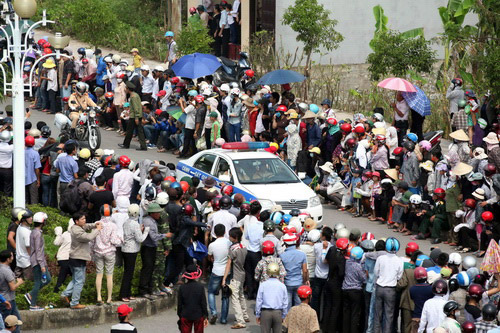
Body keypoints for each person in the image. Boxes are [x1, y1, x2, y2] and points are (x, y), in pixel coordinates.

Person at [61, 213, 102, 309]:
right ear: (76, 221)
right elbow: (88, 237)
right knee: (79, 281)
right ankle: (74, 302)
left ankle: (65, 294)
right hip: (78, 259)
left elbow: (86, 226)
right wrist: (97, 230)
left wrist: (94, 225)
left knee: (75, 279)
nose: (84, 220)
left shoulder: (77, 227)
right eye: (82, 219)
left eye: (85, 218)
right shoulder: (76, 231)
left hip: (74, 258)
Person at [93, 204, 122, 305]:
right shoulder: (113, 225)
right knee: (109, 275)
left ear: (100, 213)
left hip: (98, 252)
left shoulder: (96, 224)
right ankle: (109, 298)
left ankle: (99, 297)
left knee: (99, 274)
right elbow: (114, 241)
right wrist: (121, 240)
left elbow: (92, 239)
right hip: (109, 252)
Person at [119, 204, 149, 302]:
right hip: (131, 251)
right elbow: (140, 239)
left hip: (124, 249)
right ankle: (123, 294)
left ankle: (128, 293)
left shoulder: (126, 222)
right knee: (129, 273)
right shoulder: (135, 224)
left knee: (128, 272)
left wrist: (139, 230)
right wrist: (146, 231)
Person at [138, 203, 168, 298]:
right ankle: (143, 290)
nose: (159, 214)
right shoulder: (148, 222)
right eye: (157, 213)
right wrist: (165, 236)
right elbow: (153, 236)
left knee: (150, 268)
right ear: (152, 213)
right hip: (148, 248)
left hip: (151, 247)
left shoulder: (153, 221)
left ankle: (148, 289)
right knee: (147, 268)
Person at [374, 237, 403, 333]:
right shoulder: (399, 261)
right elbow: (399, 276)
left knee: (377, 314)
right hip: (391, 290)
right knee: (389, 315)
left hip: (379, 287)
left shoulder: (380, 258)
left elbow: (376, 273)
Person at [222, 227, 249, 329]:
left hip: (235, 276)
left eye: (230, 236)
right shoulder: (244, 247)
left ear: (235, 237)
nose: (229, 237)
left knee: (235, 298)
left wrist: (224, 278)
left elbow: (228, 265)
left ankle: (240, 321)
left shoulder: (232, 249)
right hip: (242, 274)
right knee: (241, 295)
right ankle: (245, 315)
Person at [25, 212, 51, 311]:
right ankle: (33, 304)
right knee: (38, 282)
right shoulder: (38, 234)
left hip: (36, 260)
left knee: (47, 279)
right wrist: (42, 265)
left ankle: (31, 295)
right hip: (38, 261)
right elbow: (38, 250)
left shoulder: (34, 232)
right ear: (42, 222)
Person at [207, 224, 231, 325]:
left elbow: (209, 257)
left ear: (215, 233)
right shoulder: (229, 243)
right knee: (225, 295)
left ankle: (213, 312)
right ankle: (224, 318)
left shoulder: (212, 245)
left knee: (211, 292)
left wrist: (213, 259)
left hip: (216, 270)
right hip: (227, 272)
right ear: (225, 232)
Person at [255, 262, 288, 333]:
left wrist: (258, 314)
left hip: (265, 312)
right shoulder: (282, 286)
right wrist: (284, 315)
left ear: (267, 272)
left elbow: (259, 300)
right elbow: (285, 302)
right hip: (278, 313)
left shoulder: (263, 285)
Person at [280, 233, 308, 311]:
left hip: (287, 282)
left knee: (287, 305)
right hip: (299, 282)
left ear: (285, 243)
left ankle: (287, 321)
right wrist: (305, 281)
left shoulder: (282, 256)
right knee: (299, 305)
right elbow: (305, 270)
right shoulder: (302, 254)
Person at [177, 264, 208, 333]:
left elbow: (179, 304)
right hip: (198, 315)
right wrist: (205, 316)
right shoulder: (200, 287)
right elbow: (203, 303)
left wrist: (180, 315)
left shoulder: (182, 288)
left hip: (185, 314)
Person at [119, 81, 147, 151]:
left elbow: (136, 107)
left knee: (134, 131)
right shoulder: (135, 95)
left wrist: (136, 117)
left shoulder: (133, 96)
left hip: (134, 116)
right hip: (136, 116)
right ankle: (127, 144)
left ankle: (128, 145)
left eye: (126, 88)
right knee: (132, 131)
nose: (125, 89)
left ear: (128, 89)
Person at [0, 250, 24, 333]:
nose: (13, 258)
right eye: (12, 256)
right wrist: (19, 282)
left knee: (16, 322)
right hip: (8, 300)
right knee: (10, 325)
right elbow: (12, 287)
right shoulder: (6, 271)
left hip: (4, 298)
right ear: (8, 259)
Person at [53, 219, 73, 293]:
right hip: (67, 258)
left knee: (63, 276)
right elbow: (56, 242)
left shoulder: (65, 234)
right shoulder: (75, 234)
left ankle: (58, 292)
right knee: (76, 277)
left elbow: (56, 242)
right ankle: (62, 293)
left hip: (61, 258)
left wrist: (59, 234)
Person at [14, 209, 32, 280]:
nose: (31, 218)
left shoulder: (20, 227)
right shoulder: (26, 232)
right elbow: (28, 247)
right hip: (26, 261)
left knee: (17, 280)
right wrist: (32, 258)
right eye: (29, 217)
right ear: (23, 220)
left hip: (19, 258)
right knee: (28, 282)